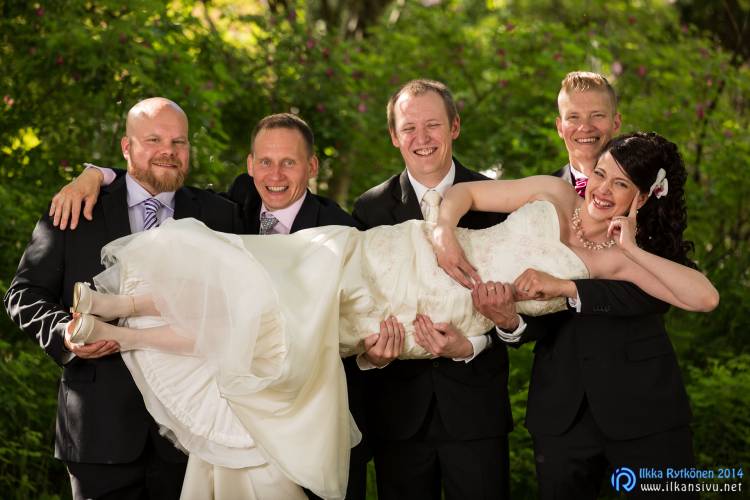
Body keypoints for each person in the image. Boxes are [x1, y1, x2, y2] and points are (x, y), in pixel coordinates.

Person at [46, 112, 384, 499]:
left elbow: (356, 317)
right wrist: (96, 174)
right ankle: (120, 306)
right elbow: (152, 171)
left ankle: (119, 319)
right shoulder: (237, 203)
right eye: (265, 162)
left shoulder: (338, 229)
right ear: (250, 165)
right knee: (203, 286)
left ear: (312, 167)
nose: (275, 175)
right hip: (221, 400)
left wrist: (374, 353)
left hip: (298, 400)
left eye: (289, 162)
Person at [433, 131, 718, 499]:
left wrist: (632, 249)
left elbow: (705, 298)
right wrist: (443, 230)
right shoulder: (553, 191)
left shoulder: (623, 258)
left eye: (621, 184)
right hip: (560, 412)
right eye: (600, 174)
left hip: (643, 410)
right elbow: (465, 192)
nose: (602, 190)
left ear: (642, 197)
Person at [3, 97, 242, 500]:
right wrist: (64, 334)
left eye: (179, 142)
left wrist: (97, 172)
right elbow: (23, 294)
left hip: (194, 433)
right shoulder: (75, 207)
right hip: (99, 429)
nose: (168, 151)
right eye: (154, 140)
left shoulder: (220, 216)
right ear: (127, 147)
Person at [351, 79, 520, 500]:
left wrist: (475, 343)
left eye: (433, 125)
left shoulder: (498, 201)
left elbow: (531, 315)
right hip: (398, 416)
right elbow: (356, 307)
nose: (421, 138)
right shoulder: (369, 210)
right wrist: (371, 356)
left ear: (454, 127)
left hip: (476, 412)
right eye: (409, 128)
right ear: (394, 136)